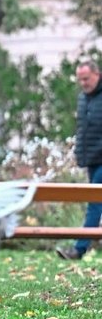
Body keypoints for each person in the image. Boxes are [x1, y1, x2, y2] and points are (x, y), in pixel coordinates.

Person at [58, 59, 102, 260]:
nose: (83, 83)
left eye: (86, 78)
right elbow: (82, 129)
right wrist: (79, 153)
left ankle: (79, 248)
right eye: (80, 79)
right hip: (91, 159)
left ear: (97, 74)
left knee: (95, 202)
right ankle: (80, 247)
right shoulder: (83, 98)